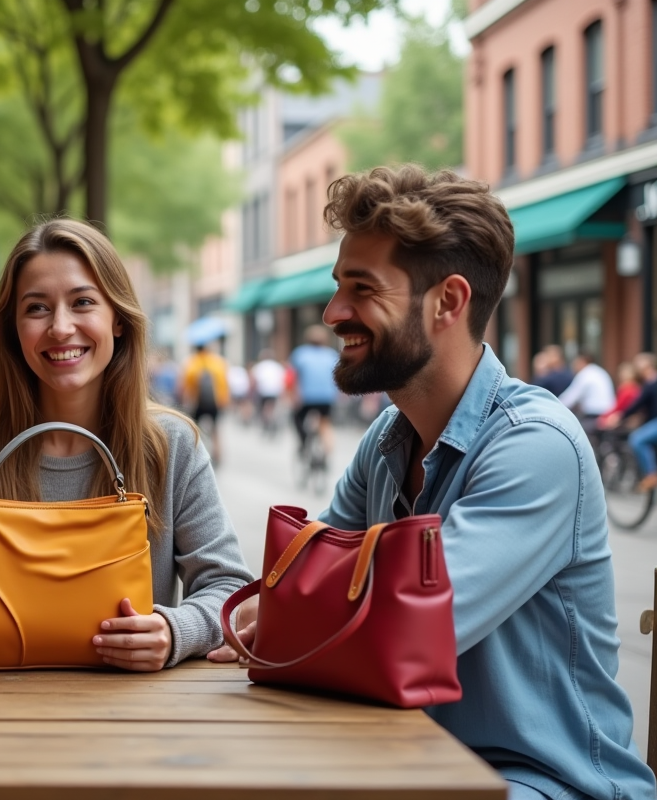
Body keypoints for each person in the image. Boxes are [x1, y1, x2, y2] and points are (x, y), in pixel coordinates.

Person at [212, 166, 654, 799]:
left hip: (544, 781)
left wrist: (292, 623)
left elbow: (396, 635)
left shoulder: (537, 445)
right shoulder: (385, 441)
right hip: (407, 761)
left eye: (361, 289)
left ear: (448, 301)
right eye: (339, 286)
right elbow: (295, 597)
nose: (335, 313)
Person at [0, 219, 253, 671]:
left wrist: (177, 631)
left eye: (82, 303)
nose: (60, 328)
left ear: (117, 318)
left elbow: (231, 590)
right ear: (14, 328)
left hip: (131, 719)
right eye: (37, 308)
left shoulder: (171, 445)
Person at [604, 353, 657, 492]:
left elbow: (636, 405)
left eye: (638, 365)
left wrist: (620, 417)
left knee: (637, 439)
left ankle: (651, 474)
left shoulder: (651, 382)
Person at [288, 325, 339, 459]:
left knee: (297, 418)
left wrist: (293, 395)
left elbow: (293, 377)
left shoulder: (300, 354)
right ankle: (327, 450)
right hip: (327, 396)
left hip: (306, 397)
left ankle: (303, 442)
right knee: (325, 422)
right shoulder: (331, 355)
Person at [182, 341, 231, 462]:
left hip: (198, 403)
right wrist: (225, 400)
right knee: (216, 430)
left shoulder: (192, 362)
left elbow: (187, 385)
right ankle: (217, 453)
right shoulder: (218, 362)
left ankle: (196, 454)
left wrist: (186, 400)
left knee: (195, 429)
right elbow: (225, 383)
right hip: (215, 402)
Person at [558, 350, 616, 430]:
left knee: (571, 429)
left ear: (582, 361)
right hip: (608, 414)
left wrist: (555, 406)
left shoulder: (585, 374)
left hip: (594, 416)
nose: (573, 365)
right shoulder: (600, 371)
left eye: (575, 362)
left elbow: (569, 398)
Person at [251, 350, 286, 433]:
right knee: (271, 407)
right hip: (275, 391)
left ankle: (267, 421)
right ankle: (271, 420)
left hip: (263, 391)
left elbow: (253, 380)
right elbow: (283, 379)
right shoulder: (277, 366)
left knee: (263, 407)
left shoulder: (259, 366)